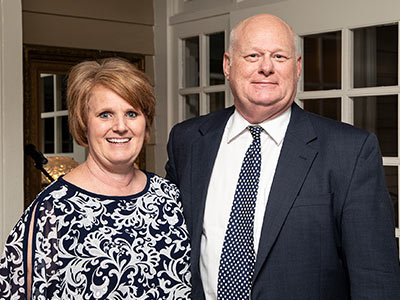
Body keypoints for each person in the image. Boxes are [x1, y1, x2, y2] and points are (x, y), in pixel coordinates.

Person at [165, 14, 400, 299]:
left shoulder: (350, 152)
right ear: (227, 65)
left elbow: (376, 278)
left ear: (297, 67)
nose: (266, 67)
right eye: (252, 55)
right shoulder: (188, 140)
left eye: (279, 56)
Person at [0, 58, 191, 299]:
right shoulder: (52, 210)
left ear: (146, 123)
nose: (121, 126)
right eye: (105, 115)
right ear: (83, 124)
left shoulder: (169, 197)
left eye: (132, 113)